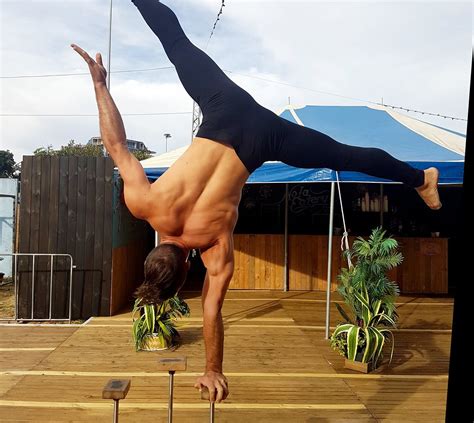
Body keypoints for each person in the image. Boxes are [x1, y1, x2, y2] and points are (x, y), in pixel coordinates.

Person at [71, 0, 441, 404]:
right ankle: (419, 177)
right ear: (155, 249)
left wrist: (213, 370)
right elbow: (117, 145)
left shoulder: (213, 248)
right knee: (174, 42)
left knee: (347, 155)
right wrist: (100, 85)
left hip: (262, 139)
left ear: (184, 271)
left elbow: (212, 311)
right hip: (225, 108)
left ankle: (421, 180)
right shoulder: (146, 203)